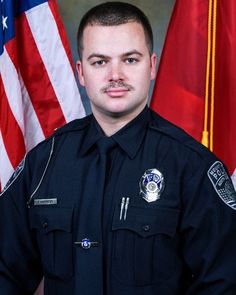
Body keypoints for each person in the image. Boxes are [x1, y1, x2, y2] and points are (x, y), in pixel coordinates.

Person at [1, 2, 236, 294]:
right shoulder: (43, 163)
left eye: (130, 60)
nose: (115, 75)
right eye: (100, 61)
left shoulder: (193, 168)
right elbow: (5, 272)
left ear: (151, 66)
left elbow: (222, 284)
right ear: (81, 72)